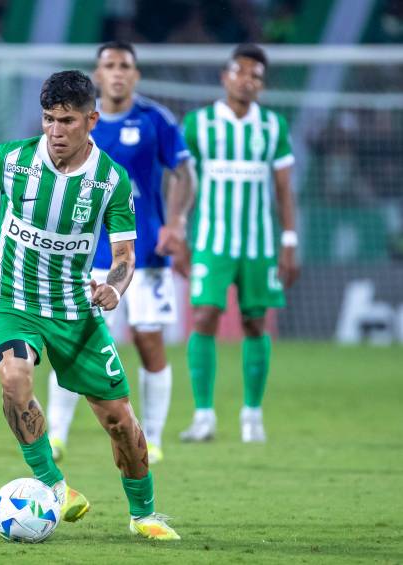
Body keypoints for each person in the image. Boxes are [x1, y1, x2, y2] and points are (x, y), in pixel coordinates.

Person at [0, 70, 180, 540]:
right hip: (9, 298)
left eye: (66, 121)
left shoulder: (110, 182)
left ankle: (143, 514)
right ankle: (53, 487)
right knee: (15, 379)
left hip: (74, 310)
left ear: (91, 121)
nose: (55, 131)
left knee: (119, 420)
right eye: (48, 119)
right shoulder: (14, 159)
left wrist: (115, 289)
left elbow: (124, 257)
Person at [46, 41, 194, 465]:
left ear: (135, 74)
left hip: (144, 252)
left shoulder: (155, 120)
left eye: (125, 65)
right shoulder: (79, 123)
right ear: (97, 72)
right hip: (86, 254)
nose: (117, 72)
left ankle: (156, 436)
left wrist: (177, 223)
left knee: (149, 343)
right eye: (109, 65)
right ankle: (57, 435)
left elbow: (184, 173)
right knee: (72, 342)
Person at [179, 44, 299, 443]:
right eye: (241, 72)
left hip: (259, 243)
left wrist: (289, 241)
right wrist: (176, 228)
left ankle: (252, 415)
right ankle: (204, 416)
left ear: (262, 86)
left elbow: (284, 189)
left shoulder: (273, 127)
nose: (248, 81)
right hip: (212, 241)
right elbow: (182, 181)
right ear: (225, 76)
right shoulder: (199, 123)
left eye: (257, 77)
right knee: (204, 317)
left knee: (254, 322)